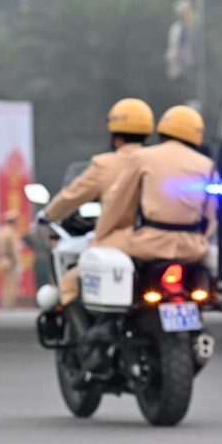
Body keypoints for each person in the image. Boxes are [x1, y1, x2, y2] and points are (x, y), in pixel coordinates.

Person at [41, 98, 153, 313]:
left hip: (119, 243)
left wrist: (48, 215)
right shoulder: (158, 161)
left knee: (69, 284)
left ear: (117, 138)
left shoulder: (105, 164)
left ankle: (84, 342)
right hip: (159, 246)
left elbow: (71, 196)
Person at [96, 104, 216, 267]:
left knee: (96, 247)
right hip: (192, 248)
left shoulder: (142, 157)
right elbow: (213, 216)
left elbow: (116, 200)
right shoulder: (208, 166)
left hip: (149, 244)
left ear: (163, 133)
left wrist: (100, 234)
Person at [0, 209, 23, 309]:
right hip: (10, 261)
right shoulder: (11, 233)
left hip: (2, 259)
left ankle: (4, 302)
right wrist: (19, 263)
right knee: (12, 283)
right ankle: (9, 303)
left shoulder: (0, 231)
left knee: (5, 283)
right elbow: (14, 250)